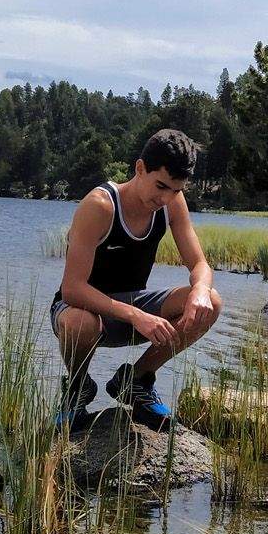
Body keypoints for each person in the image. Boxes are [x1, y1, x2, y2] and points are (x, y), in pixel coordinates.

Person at [51, 128, 223, 430]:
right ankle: (78, 387)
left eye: (176, 190)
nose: (165, 197)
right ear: (140, 168)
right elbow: (72, 289)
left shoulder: (171, 203)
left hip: (133, 310)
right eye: (160, 186)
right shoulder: (100, 206)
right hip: (82, 312)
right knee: (80, 322)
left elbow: (199, 264)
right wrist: (137, 316)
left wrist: (199, 290)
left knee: (212, 302)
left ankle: (136, 380)